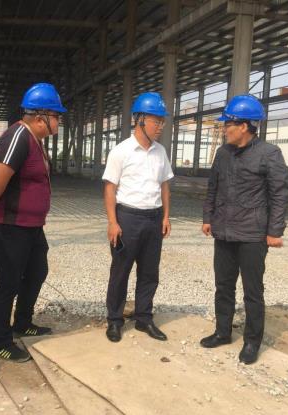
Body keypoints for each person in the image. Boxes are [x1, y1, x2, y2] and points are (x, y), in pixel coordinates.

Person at [0, 83, 66, 362]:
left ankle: (23, 322)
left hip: (31, 225)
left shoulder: (35, 140)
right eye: (56, 116)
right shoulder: (17, 136)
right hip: (10, 226)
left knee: (38, 270)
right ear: (41, 117)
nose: (59, 121)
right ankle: (1, 342)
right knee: (8, 283)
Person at [200, 94, 288, 364]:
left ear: (244, 126)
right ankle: (222, 332)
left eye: (228, 124)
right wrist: (208, 217)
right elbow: (213, 188)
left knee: (253, 290)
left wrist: (275, 231)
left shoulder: (269, 154)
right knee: (223, 286)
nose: (224, 129)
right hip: (224, 231)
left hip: (252, 235)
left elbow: (279, 195)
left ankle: (252, 342)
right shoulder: (222, 153)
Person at [103, 92, 173, 343]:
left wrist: (166, 216)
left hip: (154, 219)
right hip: (128, 218)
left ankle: (144, 318)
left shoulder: (160, 152)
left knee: (150, 272)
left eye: (162, 121)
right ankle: (114, 320)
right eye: (156, 121)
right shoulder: (121, 151)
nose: (160, 127)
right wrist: (113, 222)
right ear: (140, 120)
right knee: (120, 271)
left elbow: (164, 185)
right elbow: (110, 188)